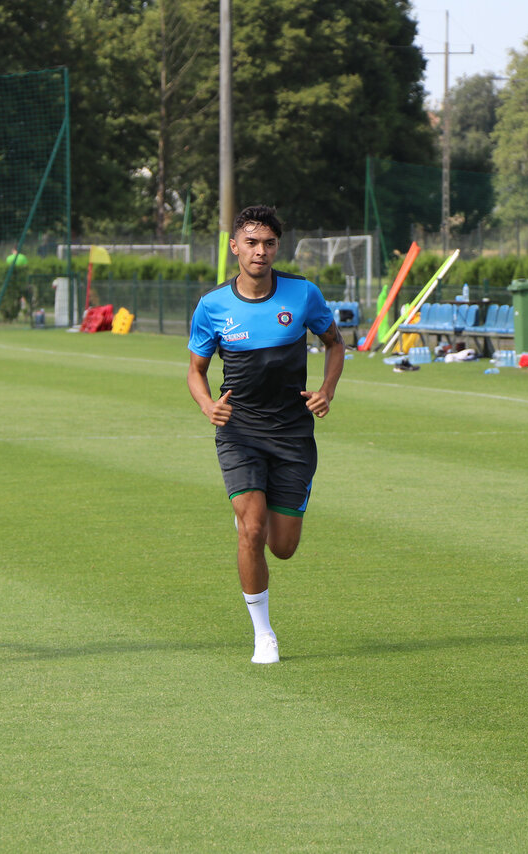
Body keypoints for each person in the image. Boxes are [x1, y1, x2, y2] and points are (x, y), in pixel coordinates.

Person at [187, 205, 345, 664]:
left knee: (283, 547)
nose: (260, 251)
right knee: (252, 531)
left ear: (278, 247)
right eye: (251, 242)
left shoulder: (303, 294)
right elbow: (196, 370)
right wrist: (208, 405)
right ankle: (264, 634)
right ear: (234, 246)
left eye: (269, 243)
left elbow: (335, 344)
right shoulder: (212, 305)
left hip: (293, 434)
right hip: (240, 431)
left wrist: (326, 391)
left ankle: (252, 518)